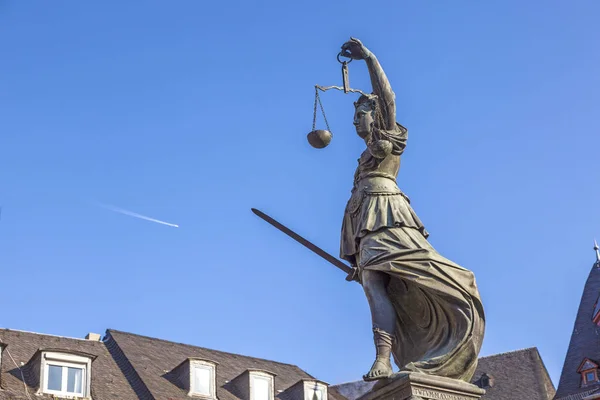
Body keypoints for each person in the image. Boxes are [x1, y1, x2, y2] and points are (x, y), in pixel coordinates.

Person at [339, 38, 485, 382]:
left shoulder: (389, 134)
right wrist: (354, 256)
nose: (356, 121)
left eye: (362, 114)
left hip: (389, 216)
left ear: (375, 116)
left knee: (403, 277)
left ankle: (456, 297)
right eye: (354, 117)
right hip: (365, 225)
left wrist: (369, 59)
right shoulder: (361, 161)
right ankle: (383, 359)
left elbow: (387, 97)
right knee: (374, 285)